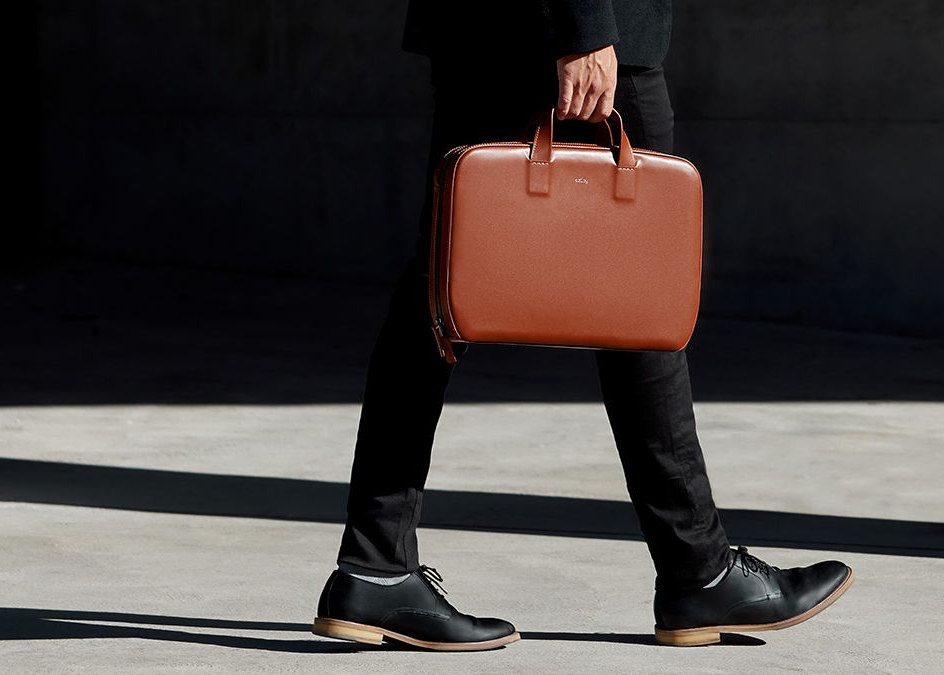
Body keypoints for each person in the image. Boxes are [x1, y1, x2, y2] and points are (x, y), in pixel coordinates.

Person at [311, 0, 853, 650]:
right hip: (548, 28)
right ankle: (696, 569)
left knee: (443, 280)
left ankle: (376, 563)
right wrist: (586, 28)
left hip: (494, 27)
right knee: (635, 285)